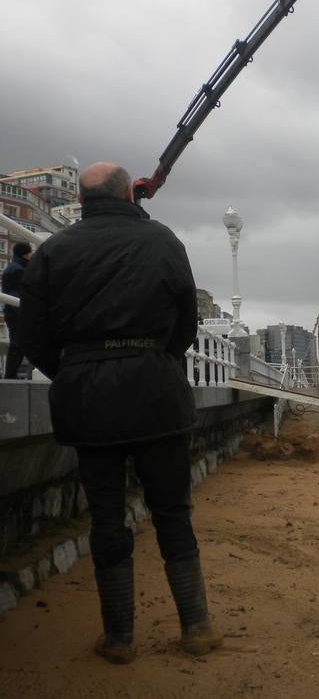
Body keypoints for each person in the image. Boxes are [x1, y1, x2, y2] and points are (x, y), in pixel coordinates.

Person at [19, 162, 221, 664]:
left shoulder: (54, 250)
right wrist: (156, 360)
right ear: (127, 196)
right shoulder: (163, 240)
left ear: (82, 202)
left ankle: (120, 638)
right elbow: (186, 323)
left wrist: (75, 369)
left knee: (106, 515)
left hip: (88, 398)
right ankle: (195, 627)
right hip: (155, 391)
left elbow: (32, 334)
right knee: (173, 511)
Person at [2, 241, 33, 378]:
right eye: (30, 252)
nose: (32, 254)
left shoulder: (16, 267)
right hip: (17, 314)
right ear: (25, 254)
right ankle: (10, 376)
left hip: (14, 313)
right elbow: (16, 295)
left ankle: (11, 375)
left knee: (18, 345)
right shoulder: (18, 270)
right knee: (17, 345)